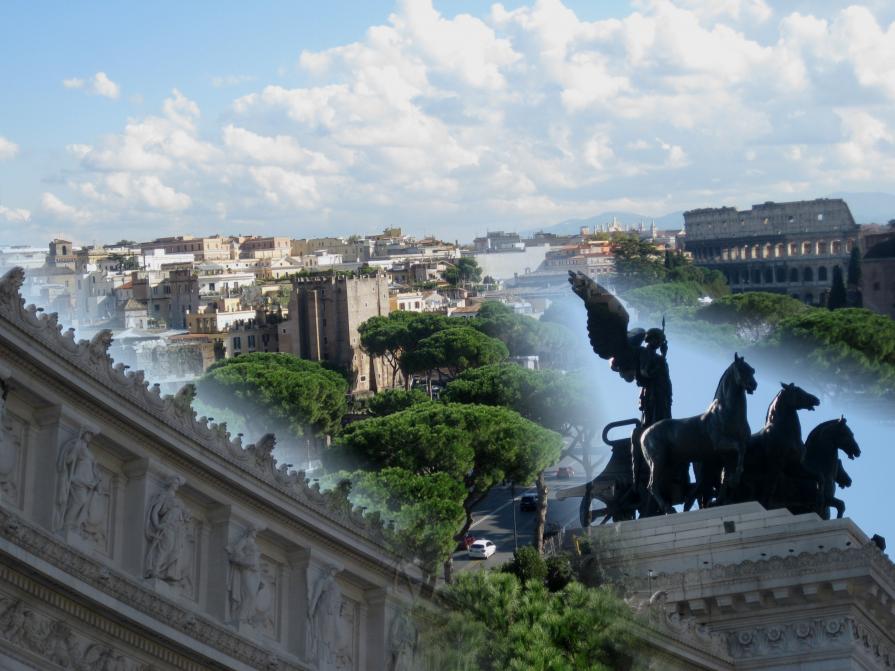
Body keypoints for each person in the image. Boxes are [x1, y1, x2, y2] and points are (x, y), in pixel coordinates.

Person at [636, 328, 672, 429]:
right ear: (650, 339)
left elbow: (664, 375)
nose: (660, 343)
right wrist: (661, 360)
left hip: (663, 391)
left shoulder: (658, 357)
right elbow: (645, 372)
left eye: (661, 340)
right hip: (652, 391)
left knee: (664, 415)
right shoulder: (644, 352)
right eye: (658, 339)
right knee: (654, 418)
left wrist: (663, 356)